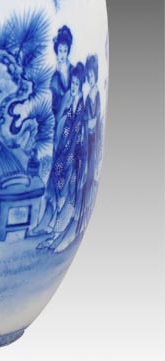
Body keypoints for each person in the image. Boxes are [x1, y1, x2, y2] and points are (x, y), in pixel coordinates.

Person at [36, 63, 86, 250]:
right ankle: (53, 222)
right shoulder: (69, 100)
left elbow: (77, 133)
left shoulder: (80, 105)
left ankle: (58, 227)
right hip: (62, 151)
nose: (73, 87)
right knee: (57, 185)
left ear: (80, 85)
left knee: (66, 189)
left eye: (76, 84)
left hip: (72, 155)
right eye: (72, 84)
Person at [77, 54, 102, 236]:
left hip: (93, 138)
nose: (90, 78)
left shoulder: (96, 94)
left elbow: (96, 116)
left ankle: (82, 212)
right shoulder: (88, 97)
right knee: (86, 172)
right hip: (87, 136)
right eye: (88, 76)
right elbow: (85, 117)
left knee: (90, 171)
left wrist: (92, 122)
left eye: (92, 76)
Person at [50, 26, 74, 118]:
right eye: (60, 51)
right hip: (59, 113)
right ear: (56, 51)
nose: (62, 54)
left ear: (68, 52)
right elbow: (54, 102)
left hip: (72, 111)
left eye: (65, 51)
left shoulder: (72, 70)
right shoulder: (55, 75)